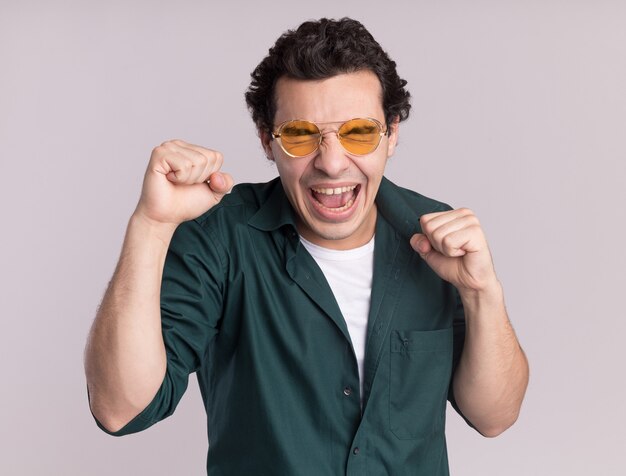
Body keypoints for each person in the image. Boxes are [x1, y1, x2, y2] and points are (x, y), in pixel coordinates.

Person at [85, 17, 529, 475]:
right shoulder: (220, 237)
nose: (333, 163)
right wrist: (152, 225)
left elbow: (494, 416)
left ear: (391, 134)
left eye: (359, 132)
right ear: (266, 140)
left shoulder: (434, 235)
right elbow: (121, 409)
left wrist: (482, 295)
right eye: (300, 135)